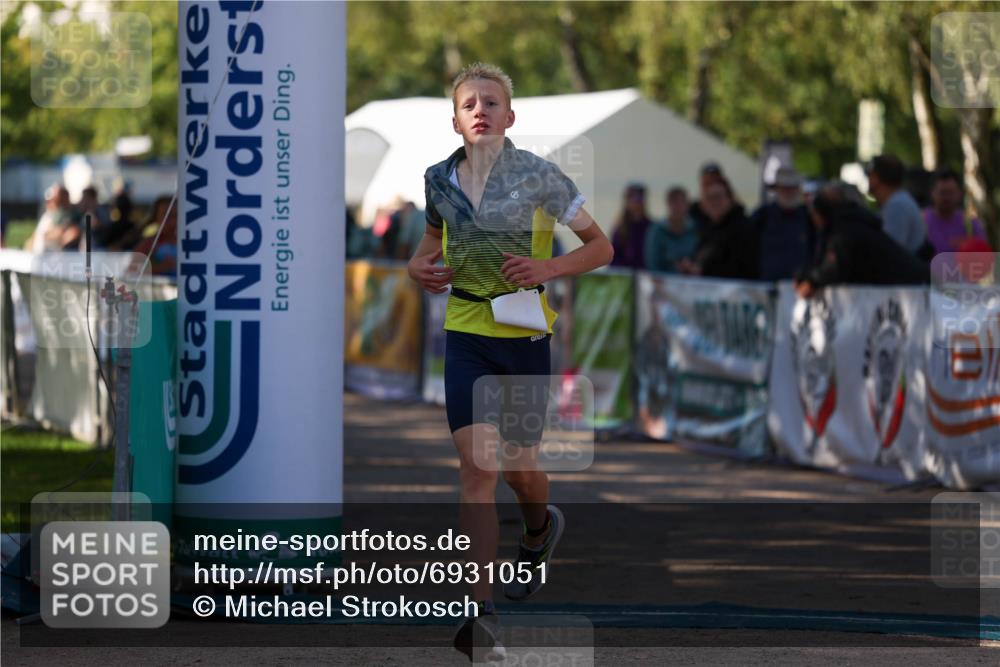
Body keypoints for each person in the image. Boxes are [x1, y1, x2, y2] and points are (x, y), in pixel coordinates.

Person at [407, 62, 613, 662]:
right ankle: (482, 613)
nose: (480, 109)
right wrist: (415, 267)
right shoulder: (438, 180)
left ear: (510, 117)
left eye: (491, 101)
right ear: (455, 119)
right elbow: (428, 244)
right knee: (478, 469)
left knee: (521, 472)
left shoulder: (542, 177)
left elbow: (601, 247)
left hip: (523, 338)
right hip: (466, 334)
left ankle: (539, 527)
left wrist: (549, 268)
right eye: (469, 102)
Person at [794, 184, 930, 298]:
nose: (813, 220)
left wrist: (812, 280)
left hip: (912, 289)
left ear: (821, 213)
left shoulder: (846, 230)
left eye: (814, 215)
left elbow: (835, 267)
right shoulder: (852, 224)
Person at [748, 166, 815, 281]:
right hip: (766, 287)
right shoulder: (762, 216)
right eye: (784, 188)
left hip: (801, 288)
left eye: (792, 187)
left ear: (798, 189)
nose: (788, 192)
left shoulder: (810, 217)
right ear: (777, 189)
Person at [683, 177, 753, 279]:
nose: (714, 202)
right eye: (709, 198)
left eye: (718, 197)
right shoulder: (707, 228)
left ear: (730, 198)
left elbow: (740, 267)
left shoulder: (742, 227)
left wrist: (702, 271)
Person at [867, 154, 926, 254]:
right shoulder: (899, 201)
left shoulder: (897, 206)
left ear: (875, 178)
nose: (868, 180)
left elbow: (888, 254)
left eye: (869, 175)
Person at [924, 169, 989, 255]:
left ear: (959, 194)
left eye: (951, 193)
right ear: (932, 193)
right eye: (942, 192)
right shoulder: (921, 221)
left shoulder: (971, 224)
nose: (946, 198)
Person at [645, 186, 698, 273]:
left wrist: (690, 266)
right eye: (674, 203)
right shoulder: (657, 230)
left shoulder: (694, 229)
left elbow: (698, 257)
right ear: (668, 204)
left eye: (681, 203)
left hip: (690, 281)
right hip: (664, 281)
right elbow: (652, 263)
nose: (678, 207)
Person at [609, 183, 652, 269]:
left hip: (647, 275)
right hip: (625, 276)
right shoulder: (620, 229)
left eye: (640, 200)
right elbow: (613, 259)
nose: (637, 204)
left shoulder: (651, 227)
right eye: (633, 200)